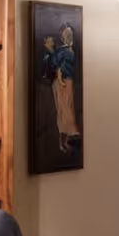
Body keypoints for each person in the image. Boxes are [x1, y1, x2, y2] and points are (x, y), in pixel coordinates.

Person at [42, 25, 80, 153]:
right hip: (62, 82)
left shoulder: (70, 49)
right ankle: (62, 143)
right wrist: (60, 80)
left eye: (70, 34)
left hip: (68, 81)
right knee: (63, 112)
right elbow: (57, 67)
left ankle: (66, 142)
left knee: (68, 109)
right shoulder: (62, 51)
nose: (69, 37)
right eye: (66, 35)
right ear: (63, 37)